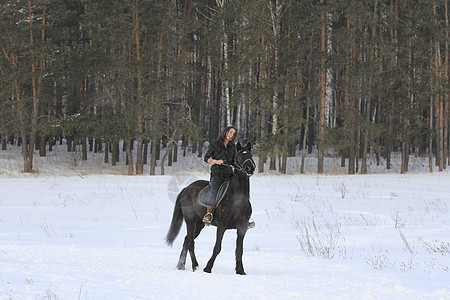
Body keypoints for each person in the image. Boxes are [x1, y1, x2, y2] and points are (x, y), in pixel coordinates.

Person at [203, 126, 237, 225]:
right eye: (230, 132)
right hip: (217, 174)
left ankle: (242, 216)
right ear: (226, 132)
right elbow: (206, 158)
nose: (231, 135)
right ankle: (209, 214)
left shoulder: (232, 146)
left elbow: (232, 161)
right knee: (214, 190)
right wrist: (216, 161)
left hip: (229, 174)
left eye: (233, 134)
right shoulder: (215, 144)